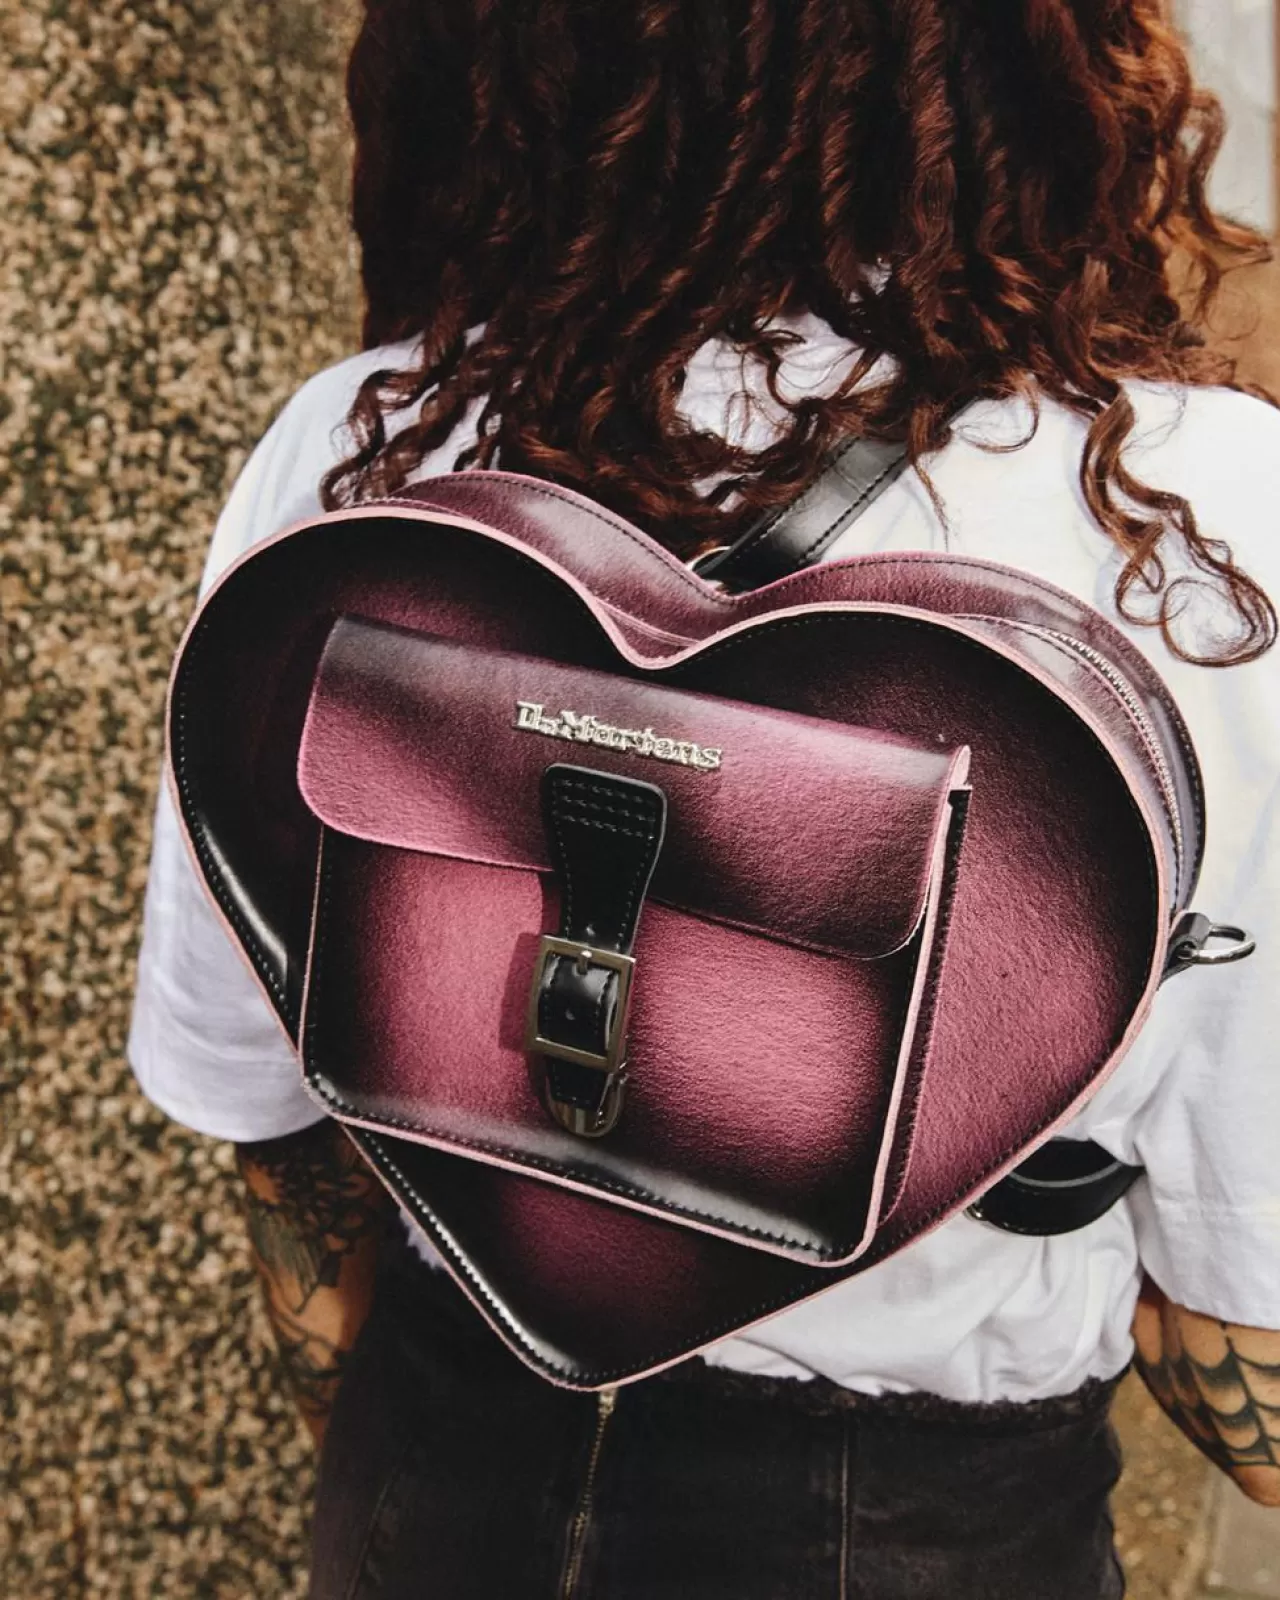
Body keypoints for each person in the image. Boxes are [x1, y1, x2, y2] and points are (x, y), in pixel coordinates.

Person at [129, 2, 1280, 1595]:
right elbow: (1248, 1317)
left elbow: (264, 1107)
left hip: (441, 1462)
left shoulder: (359, 448)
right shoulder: (1211, 539)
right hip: (917, 1525)